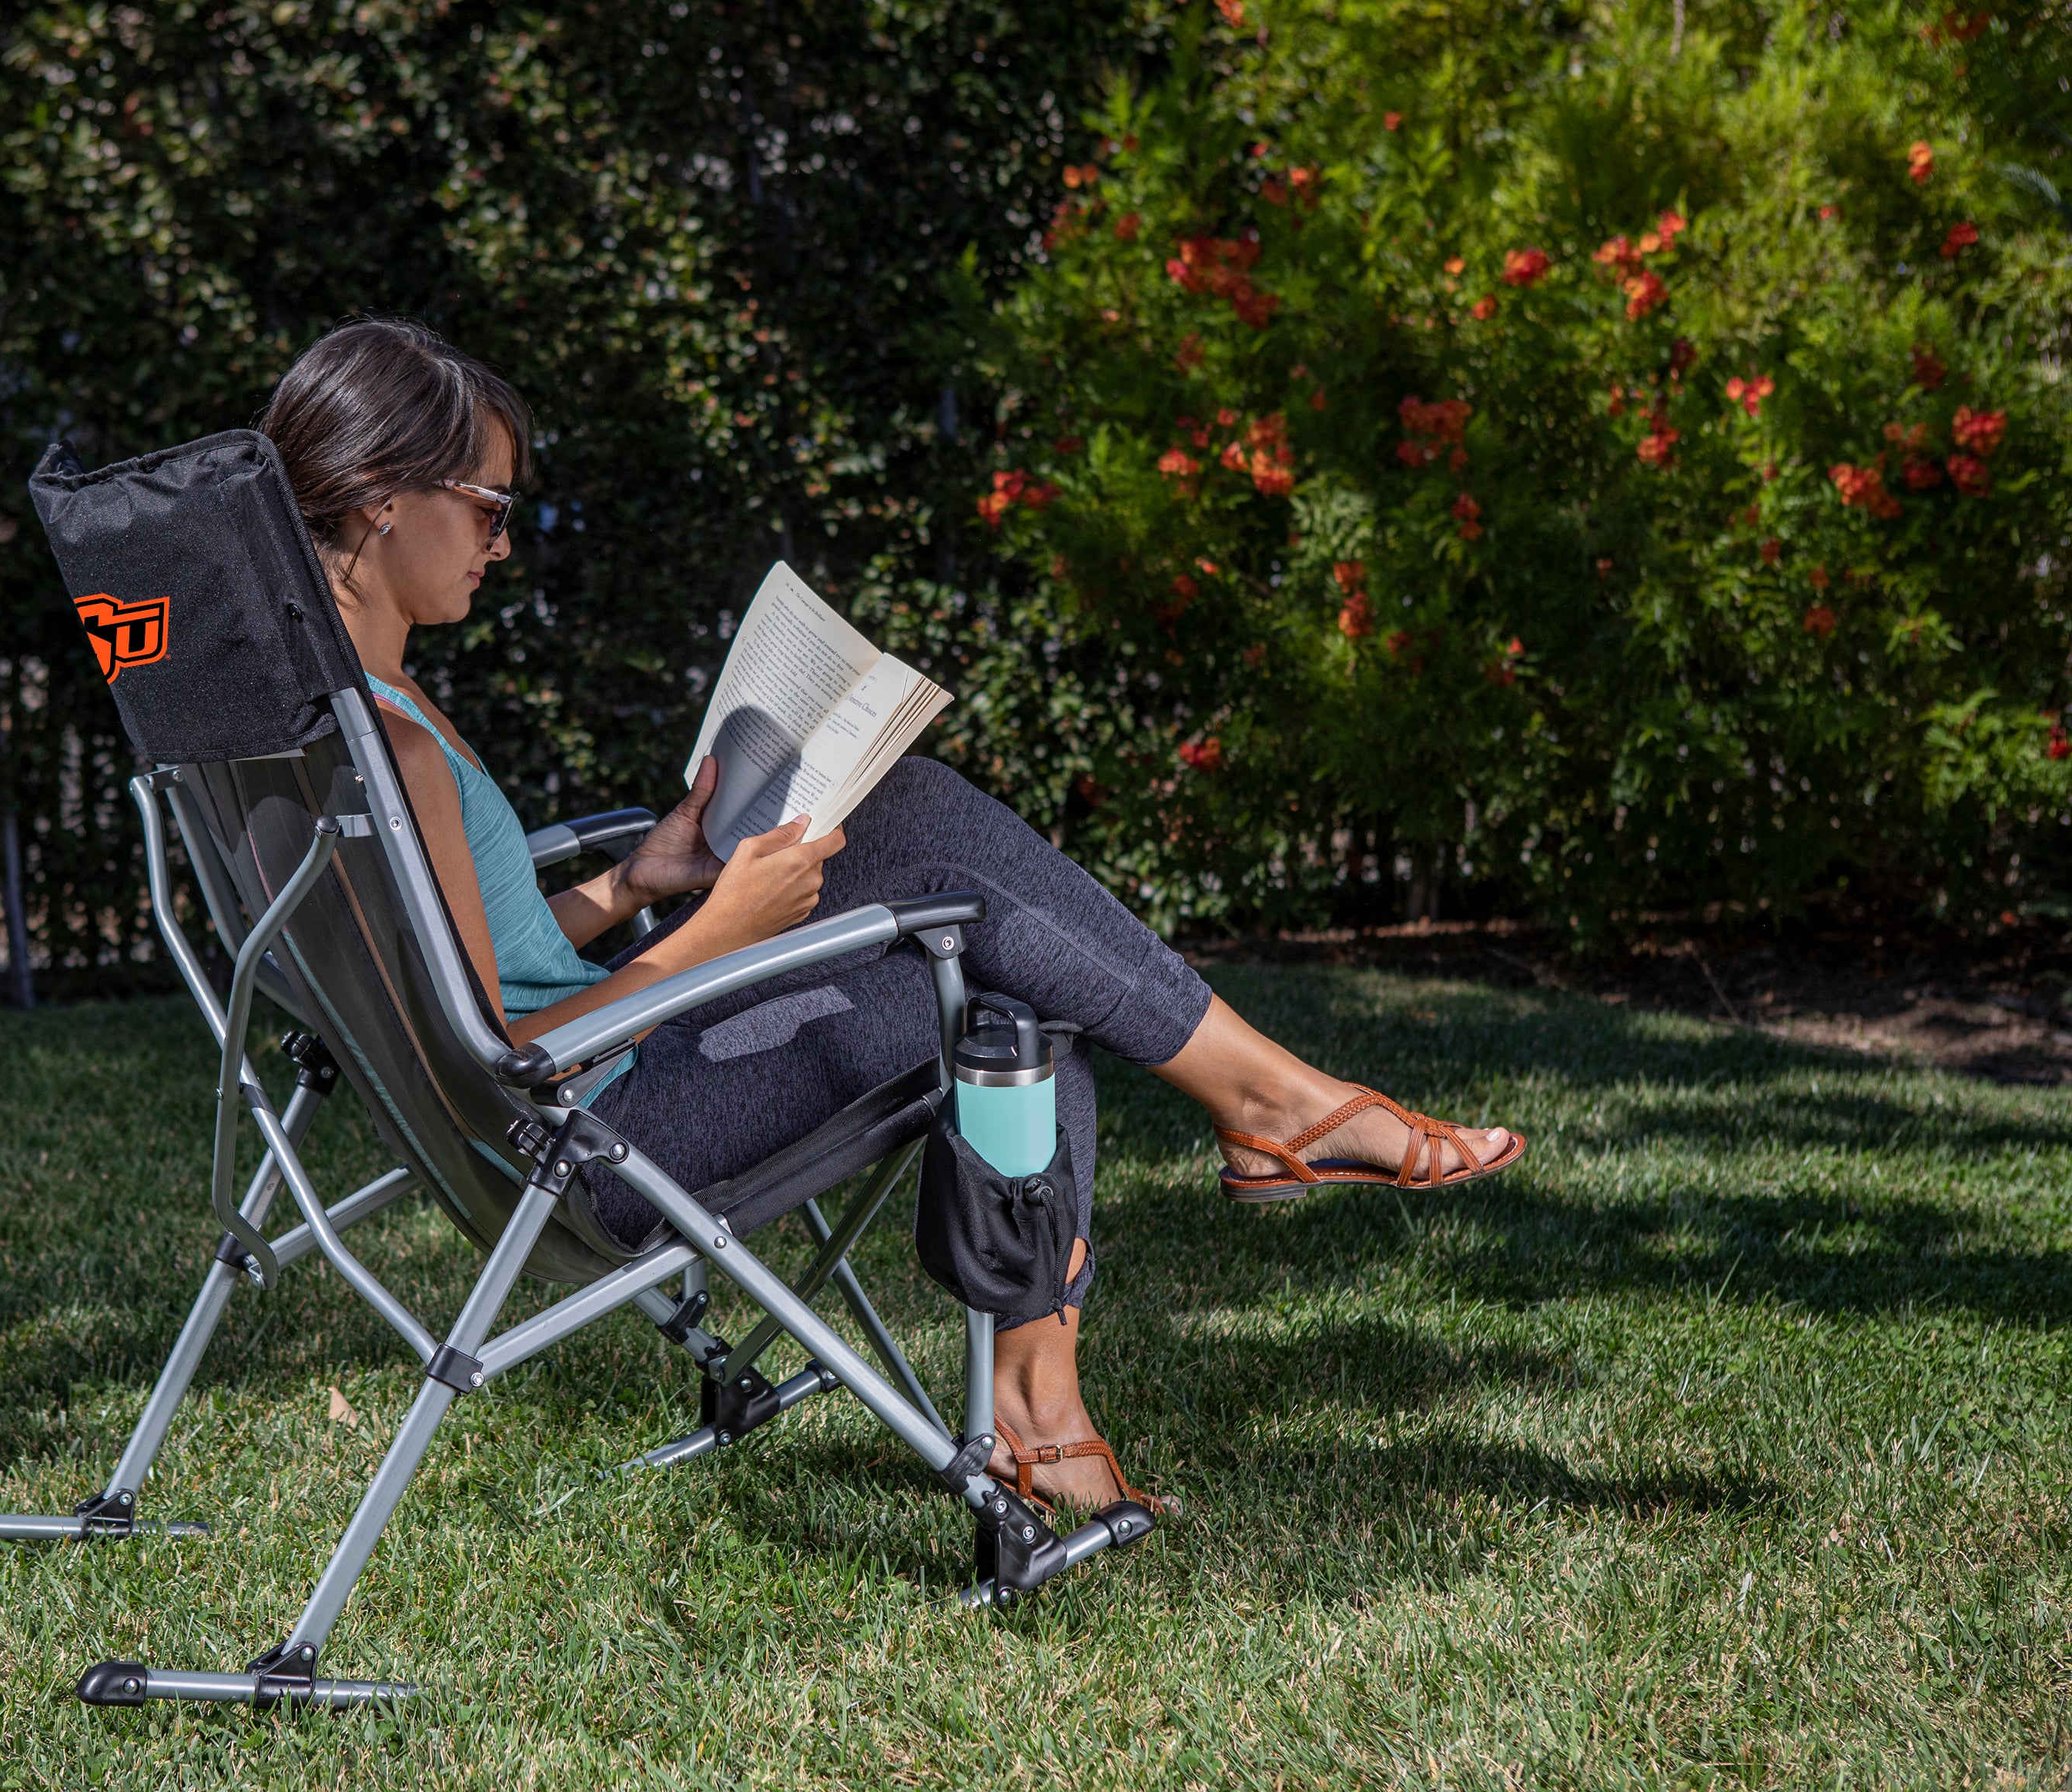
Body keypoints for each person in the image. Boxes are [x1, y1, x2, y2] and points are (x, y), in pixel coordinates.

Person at [259, 320, 1524, 1516]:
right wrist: (722, 932)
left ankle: (1163, 1255)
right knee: (996, 962)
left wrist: (643, 885)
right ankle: (1202, 1202)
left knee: (956, 885)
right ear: (381, 497)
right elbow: (497, 1058)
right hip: (602, 1143)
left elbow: (469, 966)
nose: (504, 540)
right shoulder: (391, 750)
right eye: (487, 506)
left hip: (576, 1112)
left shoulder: (332, 725)